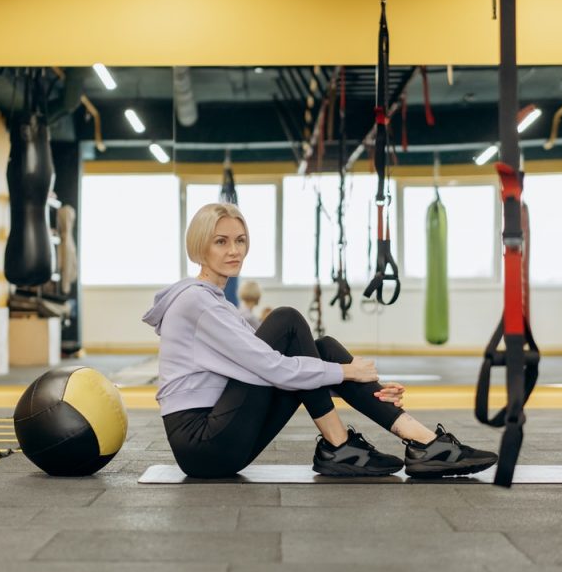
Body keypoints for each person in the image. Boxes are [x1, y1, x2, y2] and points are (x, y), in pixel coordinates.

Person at [142, 202, 497, 479]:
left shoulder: (215, 302)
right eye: (221, 241)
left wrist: (370, 386)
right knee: (288, 322)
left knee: (322, 348)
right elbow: (272, 368)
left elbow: (288, 371)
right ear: (199, 246)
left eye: (240, 240)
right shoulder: (196, 302)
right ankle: (342, 445)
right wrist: (347, 374)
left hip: (217, 438)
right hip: (204, 444)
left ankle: (419, 441)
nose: (234, 250)